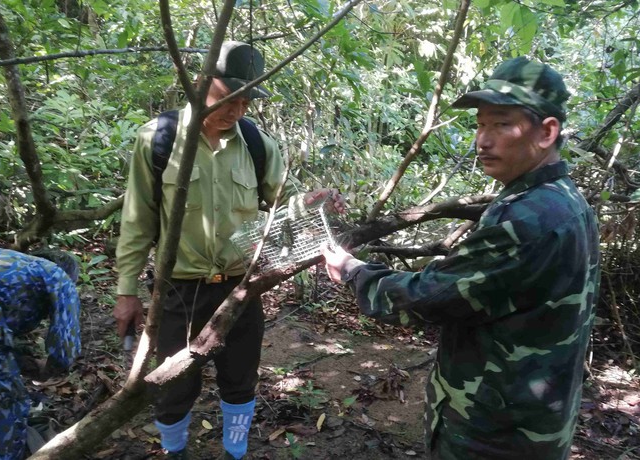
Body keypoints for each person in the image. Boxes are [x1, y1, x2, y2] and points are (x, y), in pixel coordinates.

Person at [322, 57, 600, 459]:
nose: (483, 140)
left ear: (547, 132)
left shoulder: (528, 218)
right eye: (480, 124)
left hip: (494, 432)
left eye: (501, 124)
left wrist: (353, 270)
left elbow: (429, 299)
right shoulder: (564, 198)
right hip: (531, 420)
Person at [114, 41, 344, 460]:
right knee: (174, 384)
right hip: (180, 289)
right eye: (228, 98)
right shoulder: (159, 139)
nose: (237, 111)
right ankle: (174, 450)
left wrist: (312, 201)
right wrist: (126, 292)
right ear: (200, 84)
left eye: (247, 100)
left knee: (240, 377)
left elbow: (279, 205)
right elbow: (137, 221)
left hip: (241, 287)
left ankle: (234, 450)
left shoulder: (258, 144)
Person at [0, 248, 81, 460]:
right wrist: (48, 368)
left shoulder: (2, 260)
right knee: (5, 407)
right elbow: (65, 349)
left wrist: (19, 360)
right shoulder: (58, 275)